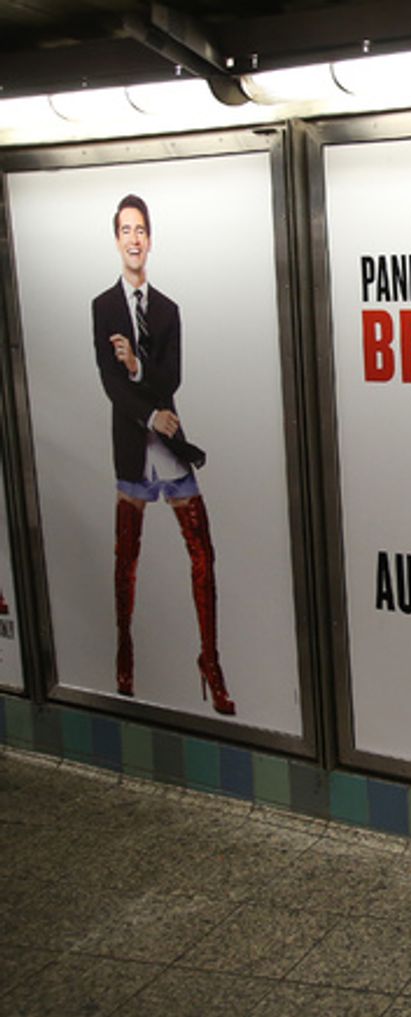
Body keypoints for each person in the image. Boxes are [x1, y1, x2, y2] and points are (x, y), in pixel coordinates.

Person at [94, 193, 235, 715]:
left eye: (140, 230)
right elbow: (110, 385)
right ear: (116, 239)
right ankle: (124, 652)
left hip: (169, 448)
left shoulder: (168, 310)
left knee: (202, 553)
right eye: (126, 230)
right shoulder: (103, 307)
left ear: (150, 239)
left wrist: (137, 365)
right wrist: (150, 413)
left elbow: (170, 378)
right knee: (125, 558)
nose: (134, 239)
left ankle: (210, 660)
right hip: (134, 445)